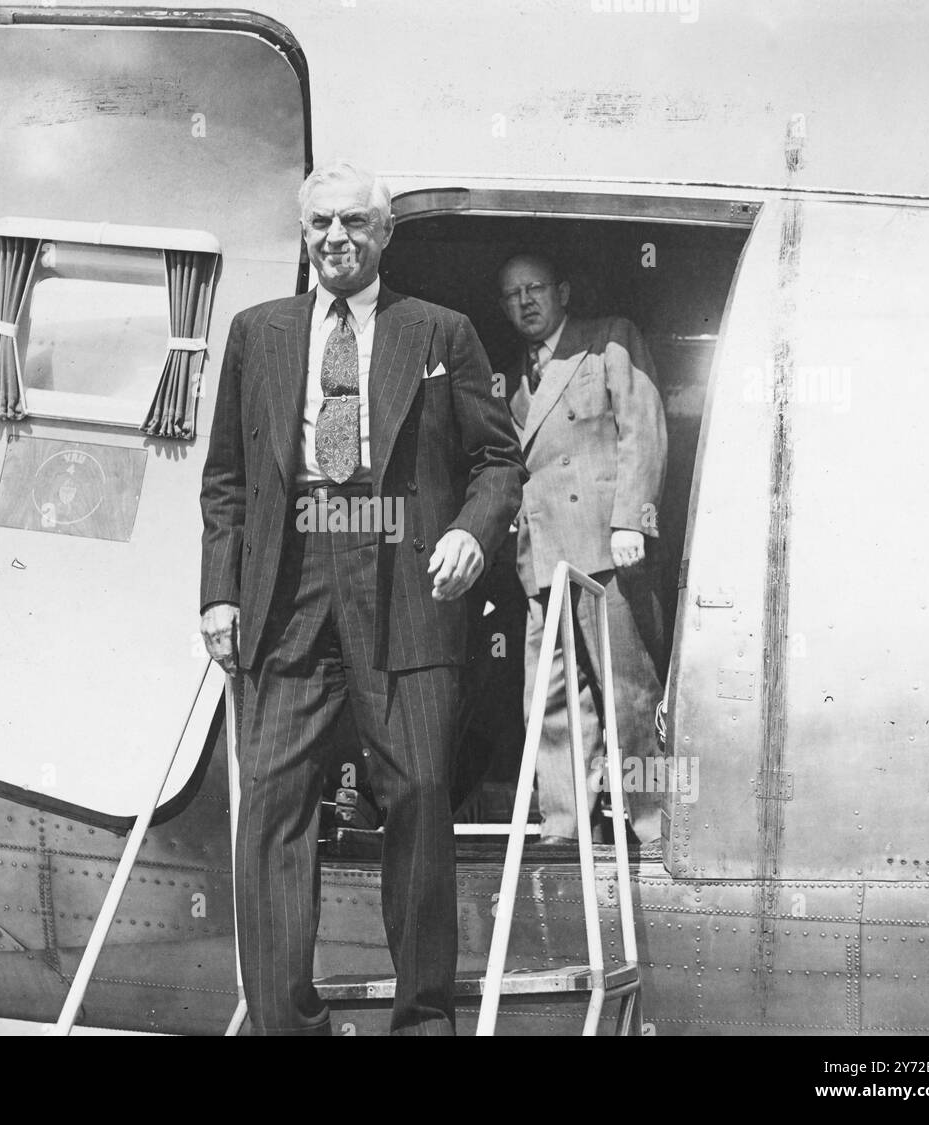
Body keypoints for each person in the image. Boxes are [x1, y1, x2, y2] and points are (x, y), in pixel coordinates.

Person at [200, 162, 525, 1035]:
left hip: (404, 578)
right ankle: (283, 1024)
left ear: (385, 234)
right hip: (286, 582)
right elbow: (226, 477)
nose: (335, 238)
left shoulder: (442, 333)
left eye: (353, 223)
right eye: (319, 225)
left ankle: (423, 1019)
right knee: (270, 800)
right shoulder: (255, 332)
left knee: (419, 792)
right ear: (303, 235)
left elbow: (499, 460)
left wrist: (470, 532)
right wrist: (219, 595)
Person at [498, 253, 667, 844]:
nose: (524, 302)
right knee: (547, 704)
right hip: (543, 560)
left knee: (628, 695)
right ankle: (565, 828)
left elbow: (641, 427)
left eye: (535, 288)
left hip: (605, 551)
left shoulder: (609, 340)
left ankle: (652, 827)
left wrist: (631, 521)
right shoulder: (511, 377)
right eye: (512, 294)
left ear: (563, 290)